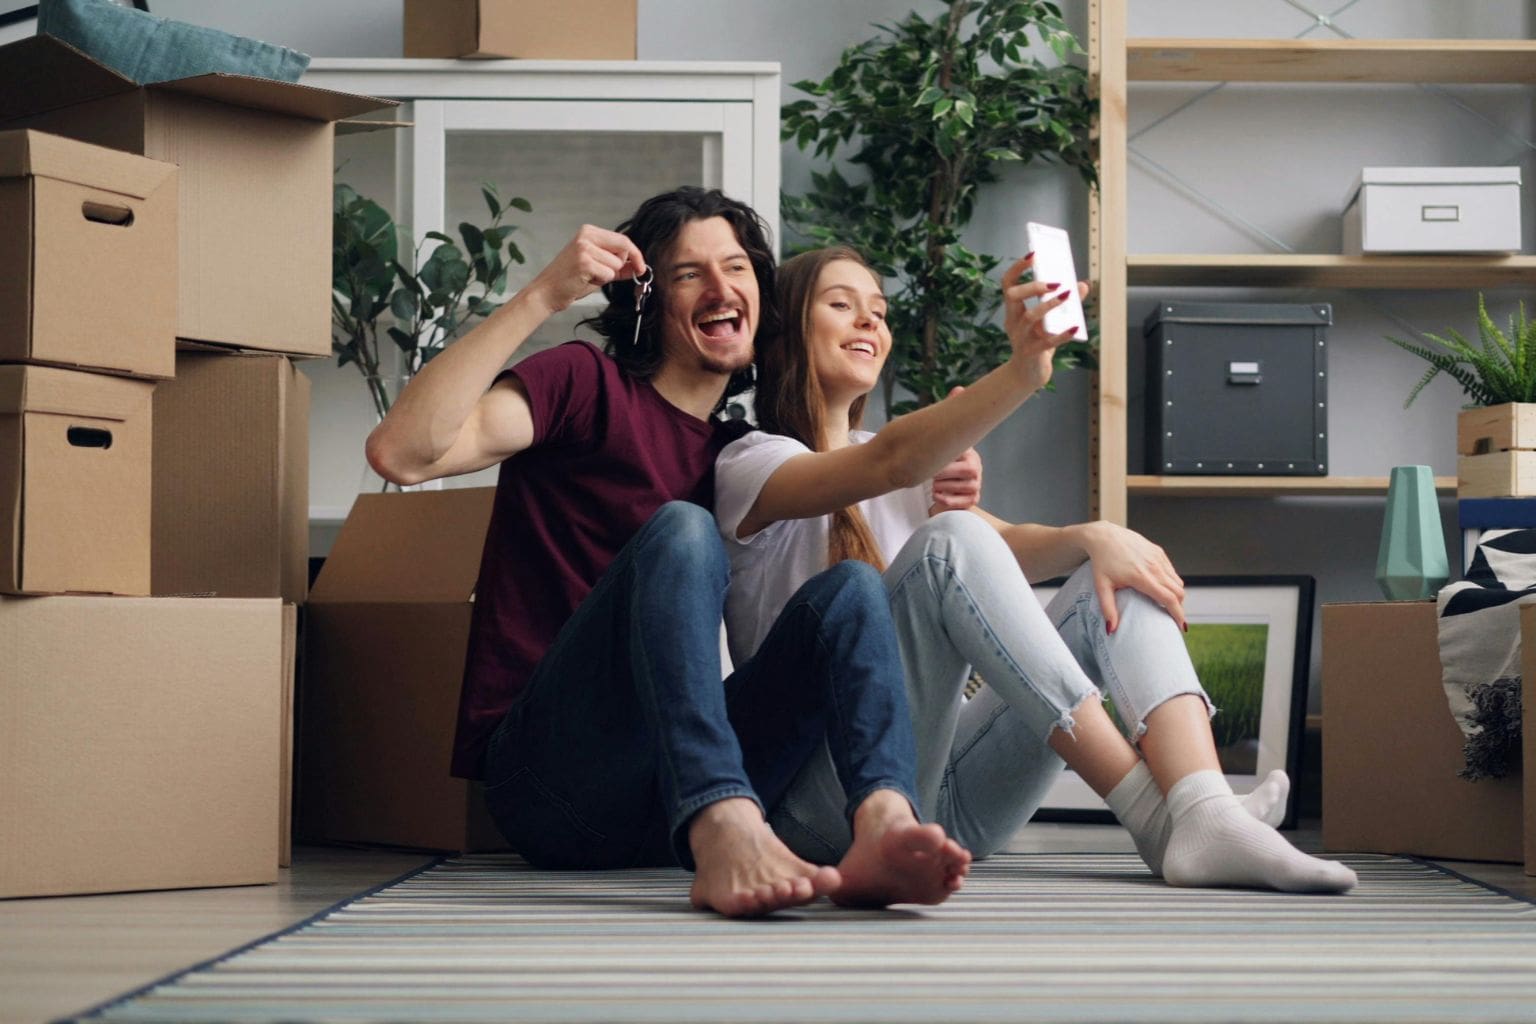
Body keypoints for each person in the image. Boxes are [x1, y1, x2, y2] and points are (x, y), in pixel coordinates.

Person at [365, 190, 971, 918]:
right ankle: (725, 823)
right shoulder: (583, 384)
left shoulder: (739, 453)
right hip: (553, 786)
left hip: (665, 795)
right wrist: (543, 294)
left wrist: (950, 492)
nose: (721, 289)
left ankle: (880, 824)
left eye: (738, 268)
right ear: (649, 297)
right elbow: (402, 453)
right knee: (683, 528)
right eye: (689, 274)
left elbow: (876, 469)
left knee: (851, 589)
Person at [712, 244, 1357, 893]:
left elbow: (1004, 547)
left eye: (878, 312)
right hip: (822, 806)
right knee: (952, 538)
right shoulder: (752, 462)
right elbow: (897, 466)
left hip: (947, 801)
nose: (869, 324)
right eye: (841, 305)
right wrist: (1024, 370)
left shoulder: (894, 468)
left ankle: (1202, 807)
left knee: (1114, 568)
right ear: (785, 330)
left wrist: (1096, 537)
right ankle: (1159, 819)